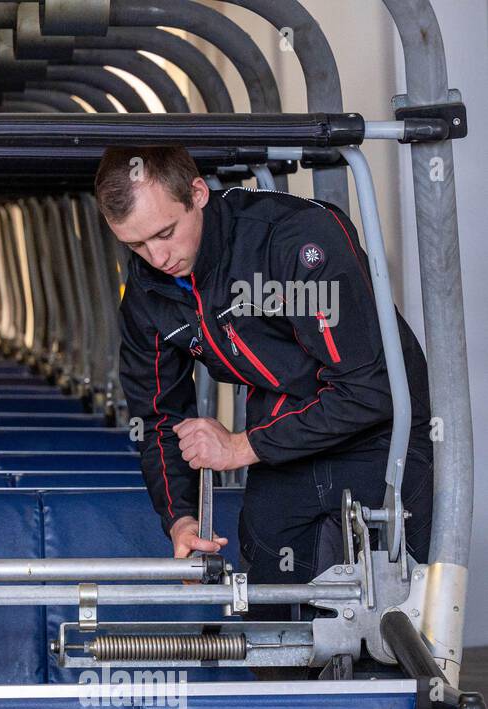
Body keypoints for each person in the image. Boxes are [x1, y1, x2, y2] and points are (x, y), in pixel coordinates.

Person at [94, 146, 433, 607]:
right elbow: (157, 417)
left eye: (165, 233)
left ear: (197, 193)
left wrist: (239, 447)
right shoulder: (147, 291)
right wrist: (181, 520)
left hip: (379, 438)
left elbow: (368, 389)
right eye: (136, 244)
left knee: (390, 619)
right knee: (271, 615)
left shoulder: (295, 240)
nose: (157, 256)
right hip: (282, 447)